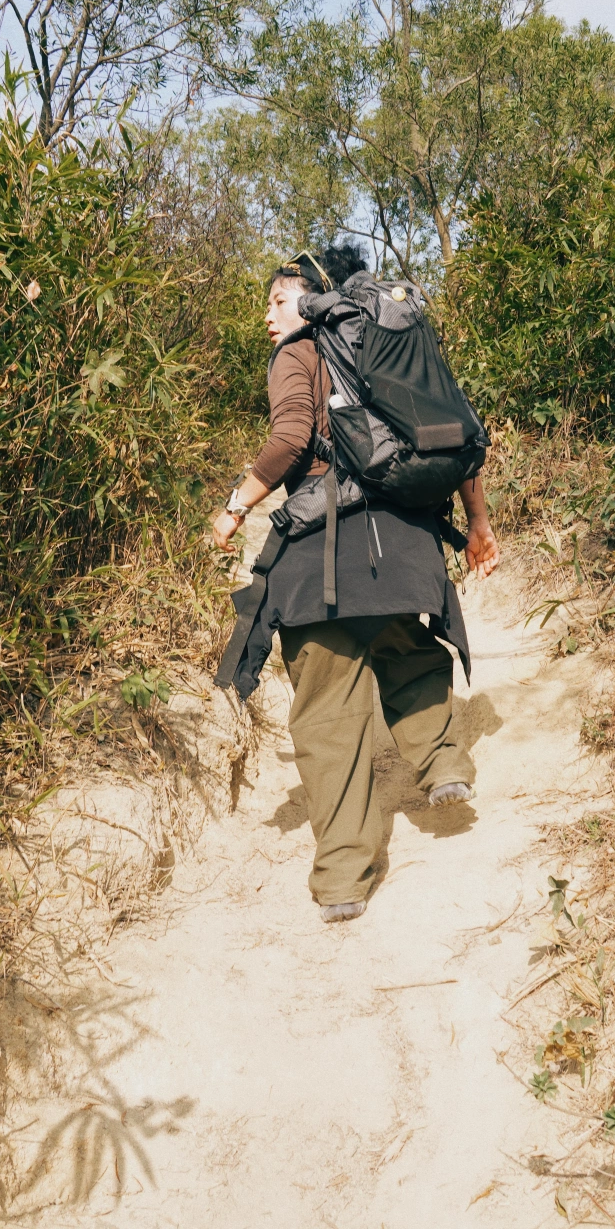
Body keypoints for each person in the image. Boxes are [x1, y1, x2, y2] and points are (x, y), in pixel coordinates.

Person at [212, 244, 500, 924]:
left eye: (278, 300)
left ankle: (344, 876)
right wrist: (478, 522)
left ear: (316, 296)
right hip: (404, 546)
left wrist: (234, 507)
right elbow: (457, 433)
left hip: (324, 560)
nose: (268, 316)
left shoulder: (297, 354)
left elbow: (290, 438)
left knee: (328, 714)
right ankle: (443, 763)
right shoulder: (393, 350)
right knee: (409, 651)